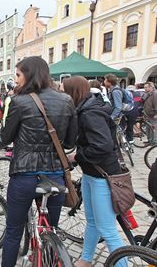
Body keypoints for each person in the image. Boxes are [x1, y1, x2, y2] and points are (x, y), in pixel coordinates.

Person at [0, 57, 77, 267]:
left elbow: (6, 138)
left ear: (29, 74)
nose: (16, 79)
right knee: (51, 229)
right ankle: (51, 253)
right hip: (55, 174)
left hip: (24, 175)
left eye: (18, 75)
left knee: (13, 231)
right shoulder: (66, 100)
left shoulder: (19, 102)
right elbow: (70, 141)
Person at [62, 76, 126, 267]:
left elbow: (102, 146)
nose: (61, 95)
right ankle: (86, 259)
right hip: (92, 174)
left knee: (108, 230)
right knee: (91, 221)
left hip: (103, 176)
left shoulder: (90, 112)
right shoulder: (84, 109)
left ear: (73, 93)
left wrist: (76, 157)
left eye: (63, 91)